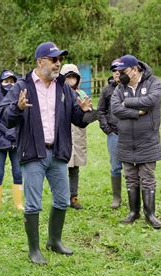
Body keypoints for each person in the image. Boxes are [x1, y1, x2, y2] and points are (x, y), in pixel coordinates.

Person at [0, 42, 92, 264]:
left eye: (59, 59)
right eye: (54, 59)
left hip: (58, 152)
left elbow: (76, 119)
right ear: (40, 62)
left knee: (62, 200)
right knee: (33, 204)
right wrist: (18, 108)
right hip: (33, 153)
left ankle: (54, 241)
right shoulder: (22, 86)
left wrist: (86, 112)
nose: (58, 63)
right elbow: (4, 115)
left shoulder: (63, 87)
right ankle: (34, 249)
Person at [111, 54, 161, 229]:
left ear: (134, 69)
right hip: (126, 140)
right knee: (130, 178)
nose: (119, 75)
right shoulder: (119, 88)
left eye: (123, 71)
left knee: (147, 177)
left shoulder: (153, 82)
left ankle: (150, 214)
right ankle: (134, 212)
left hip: (148, 139)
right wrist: (137, 112)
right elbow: (115, 109)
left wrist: (127, 102)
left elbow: (151, 101)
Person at [0, 70, 24, 214]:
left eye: (12, 81)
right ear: (0, 83)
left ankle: (19, 203)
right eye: (6, 81)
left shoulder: (18, 99)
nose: (9, 84)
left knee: (18, 171)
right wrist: (8, 131)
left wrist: (14, 134)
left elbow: (21, 117)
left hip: (16, 142)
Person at [60, 63, 94, 210]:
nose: (71, 80)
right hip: (63, 135)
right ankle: (62, 198)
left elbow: (87, 116)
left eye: (74, 77)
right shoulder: (58, 95)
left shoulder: (82, 94)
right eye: (68, 78)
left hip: (78, 136)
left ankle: (73, 197)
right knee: (61, 168)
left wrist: (87, 111)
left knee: (75, 169)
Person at [98, 59, 123, 209]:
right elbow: (101, 110)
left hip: (130, 133)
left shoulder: (130, 88)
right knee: (115, 166)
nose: (117, 73)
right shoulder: (107, 90)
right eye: (114, 71)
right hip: (113, 133)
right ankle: (116, 197)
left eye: (120, 71)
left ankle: (133, 196)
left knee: (131, 167)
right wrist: (106, 128)